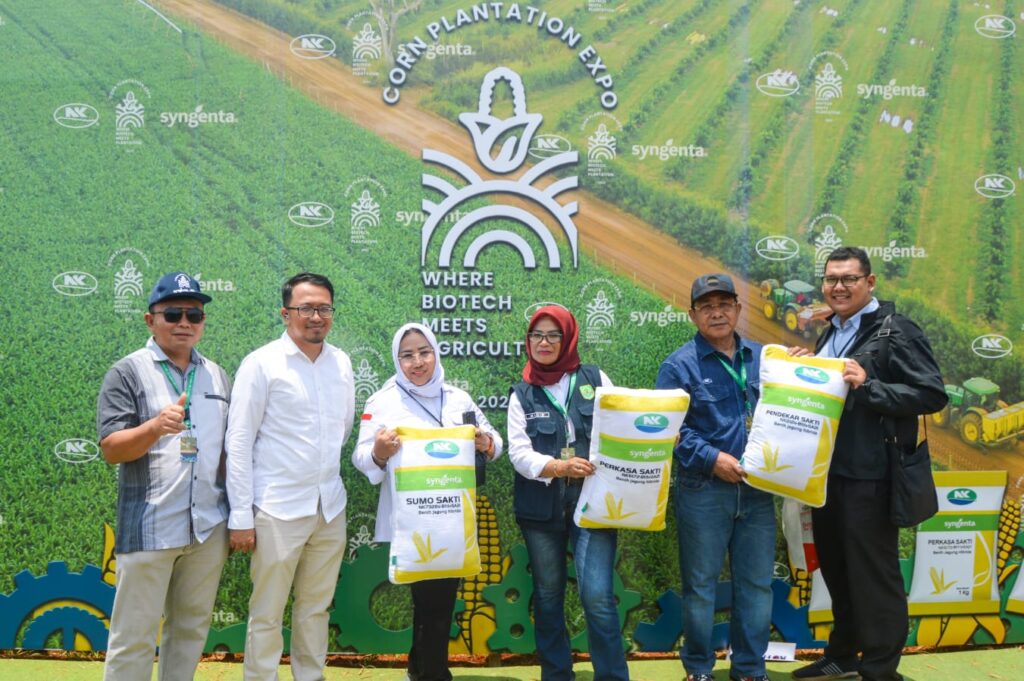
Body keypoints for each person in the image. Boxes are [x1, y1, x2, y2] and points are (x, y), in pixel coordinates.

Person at [792, 247, 947, 681]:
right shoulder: (831, 331)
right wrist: (803, 371)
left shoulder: (897, 331)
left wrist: (871, 385)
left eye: (849, 279)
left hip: (872, 476)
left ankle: (880, 670)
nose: (838, 287)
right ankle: (843, 654)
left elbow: (932, 394)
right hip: (827, 474)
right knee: (837, 569)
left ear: (870, 282)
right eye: (831, 279)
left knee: (874, 575)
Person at [97, 272, 230, 681]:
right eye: (173, 314)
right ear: (150, 320)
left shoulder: (218, 375)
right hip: (150, 526)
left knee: (189, 633)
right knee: (133, 637)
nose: (184, 322)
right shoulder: (127, 372)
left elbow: (228, 453)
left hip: (207, 529)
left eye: (194, 314)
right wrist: (155, 427)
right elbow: (111, 449)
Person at [353, 323, 503, 681]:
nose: (417, 362)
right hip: (414, 520)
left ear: (436, 353)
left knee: (435, 602)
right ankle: (432, 673)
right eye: (407, 355)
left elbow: (495, 442)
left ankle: (420, 670)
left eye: (424, 352)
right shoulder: (383, 401)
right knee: (432, 600)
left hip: (453, 518)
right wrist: (378, 451)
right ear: (397, 360)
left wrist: (486, 443)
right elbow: (360, 457)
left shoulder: (458, 399)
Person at [226, 272, 355, 681]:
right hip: (277, 509)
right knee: (267, 612)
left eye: (324, 308)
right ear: (286, 313)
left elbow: (343, 430)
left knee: (315, 609)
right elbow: (239, 441)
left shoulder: (341, 363)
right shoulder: (262, 363)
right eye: (306, 308)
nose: (316, 316)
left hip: (329, 507)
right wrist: (241, 516)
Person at [655, 273, 774, 681]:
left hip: (758, 491)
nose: (717, 313)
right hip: (703, 490)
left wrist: (800, 367)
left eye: (724, 304)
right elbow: (671, 429)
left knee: (756, 585)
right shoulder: (678, 366)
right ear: (692, 315)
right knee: (701, 586)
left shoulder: (765, 359)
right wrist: (712, 459)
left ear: (738, 309)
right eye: (706, 307)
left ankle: (750, 668)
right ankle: (698, 668)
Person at [507, 305, 628, 681]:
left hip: (593, 504)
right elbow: (518, 454)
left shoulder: (595, 378)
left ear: (568, 338)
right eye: (536, 335)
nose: (543, 343)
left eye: (553, 335)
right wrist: (558, 467)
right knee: (547, 595)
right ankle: (557, 674)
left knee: (598, 595)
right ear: (528, 341)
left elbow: (622, 424)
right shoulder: (522, 393)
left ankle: (612, 676)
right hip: (540, 509)